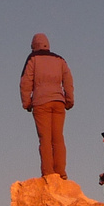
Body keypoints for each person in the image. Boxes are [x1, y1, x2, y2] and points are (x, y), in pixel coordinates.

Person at [19, 33, 74, 179]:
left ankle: (48, 173)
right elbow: (68, 80)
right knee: (58, 138)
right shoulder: (60, 59)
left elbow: (25, 82)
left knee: (45, 138)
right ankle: (61, 172)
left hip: (41, 102)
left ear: (33, 46)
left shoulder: (33, 59)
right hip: (58, 102)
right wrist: (69, 100)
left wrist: (26, 102)